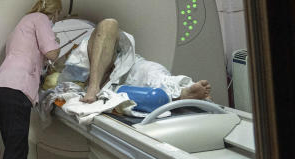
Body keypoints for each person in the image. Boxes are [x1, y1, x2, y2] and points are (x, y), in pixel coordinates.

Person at [0, 0, 62, 159]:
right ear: (55, 12)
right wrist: (58, 44)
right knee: (17, 154)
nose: (56, 20)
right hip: (16, 89)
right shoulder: (42, 19)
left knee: (14, 151)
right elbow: (52, 53)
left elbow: (29, 55)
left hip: (1, 88)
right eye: (58, 16)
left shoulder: (23, 22)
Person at [64, 18, 212, 103]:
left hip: (121, 64)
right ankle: (94, 87)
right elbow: (63, 79)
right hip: (103, 80)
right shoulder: (70, 57)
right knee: (142, 86)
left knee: (150, 71)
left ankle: (183, 91)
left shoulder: (101, 35)